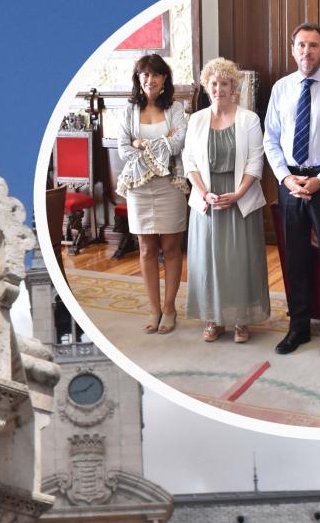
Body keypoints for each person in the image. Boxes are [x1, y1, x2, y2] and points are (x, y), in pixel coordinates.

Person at [263, 22, 320, 359]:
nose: (307, 51)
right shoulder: (282, 89)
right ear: (293, 50)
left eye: (314, 45)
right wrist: (286, 179)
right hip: (290, 183)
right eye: (301, 45)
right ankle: (299, 327)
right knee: (296, 259)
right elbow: (270, 139)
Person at [185, 58, 269, 344]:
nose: (219, 89)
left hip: (239, 199)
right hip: (207, 201)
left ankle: (241, 320)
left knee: (239, 262)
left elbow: (256, 163)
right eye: (214, 84)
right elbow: (189, 162)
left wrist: (238, 194)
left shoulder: (249, 119)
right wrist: (203, 192)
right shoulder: (196, 120)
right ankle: (213, 318)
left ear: (234, 88)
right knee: (208, 263)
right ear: (206, 87)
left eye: (225, 84)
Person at [114, 53, 188, 333]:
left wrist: (142, 143)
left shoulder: (176, 108)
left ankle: (170, 308)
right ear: (138, 79)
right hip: (139, 186)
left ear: (164, 79)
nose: (150, 79)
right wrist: (160, 142)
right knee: (146, 249)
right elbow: (123, 149)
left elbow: (179, 142)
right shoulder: (127, 111)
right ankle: (154, 309)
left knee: (171, 248)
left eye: (156, 75)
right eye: (145, 75)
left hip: (171, 184)